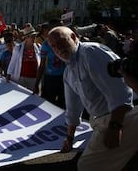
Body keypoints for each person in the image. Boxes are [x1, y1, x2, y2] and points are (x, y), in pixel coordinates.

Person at [48, 26, 137, 171]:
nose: (58, 48)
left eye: (61, 42)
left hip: (124, 116)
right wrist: (69, 138)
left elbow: (120, 90)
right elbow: (73, 109)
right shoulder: (68, 73)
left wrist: (115, 127)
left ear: (74, 37)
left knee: (88, 166)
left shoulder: (90, 52)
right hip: (102, 121)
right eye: (53, 46)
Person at [33, 22, 66, 109]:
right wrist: (37, 83)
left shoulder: (66, 42)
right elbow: (42, 65)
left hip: (64, 78)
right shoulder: (46, 45)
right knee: (47, 105)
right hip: (50, 78)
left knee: (63, 105)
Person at [6, 26, 41, 90]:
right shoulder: (18, 48)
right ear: (26, 37)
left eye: (35, 36)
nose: (34, 38)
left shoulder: (39, 47)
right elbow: (12, 62)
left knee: (32, 97)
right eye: (32, 36)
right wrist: (8, 74)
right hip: (21, 77)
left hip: (34, 78)